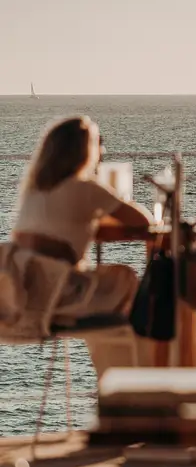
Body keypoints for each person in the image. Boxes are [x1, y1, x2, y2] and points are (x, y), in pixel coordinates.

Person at [1, 116, 152, 339]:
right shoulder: (87, 188)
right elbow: (143, 221)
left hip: (20, 295)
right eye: (97, 143)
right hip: (61, 295)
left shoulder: (34, 189)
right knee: (126, 278)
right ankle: (141, 357)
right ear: (85, 151)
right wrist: (109, 203)